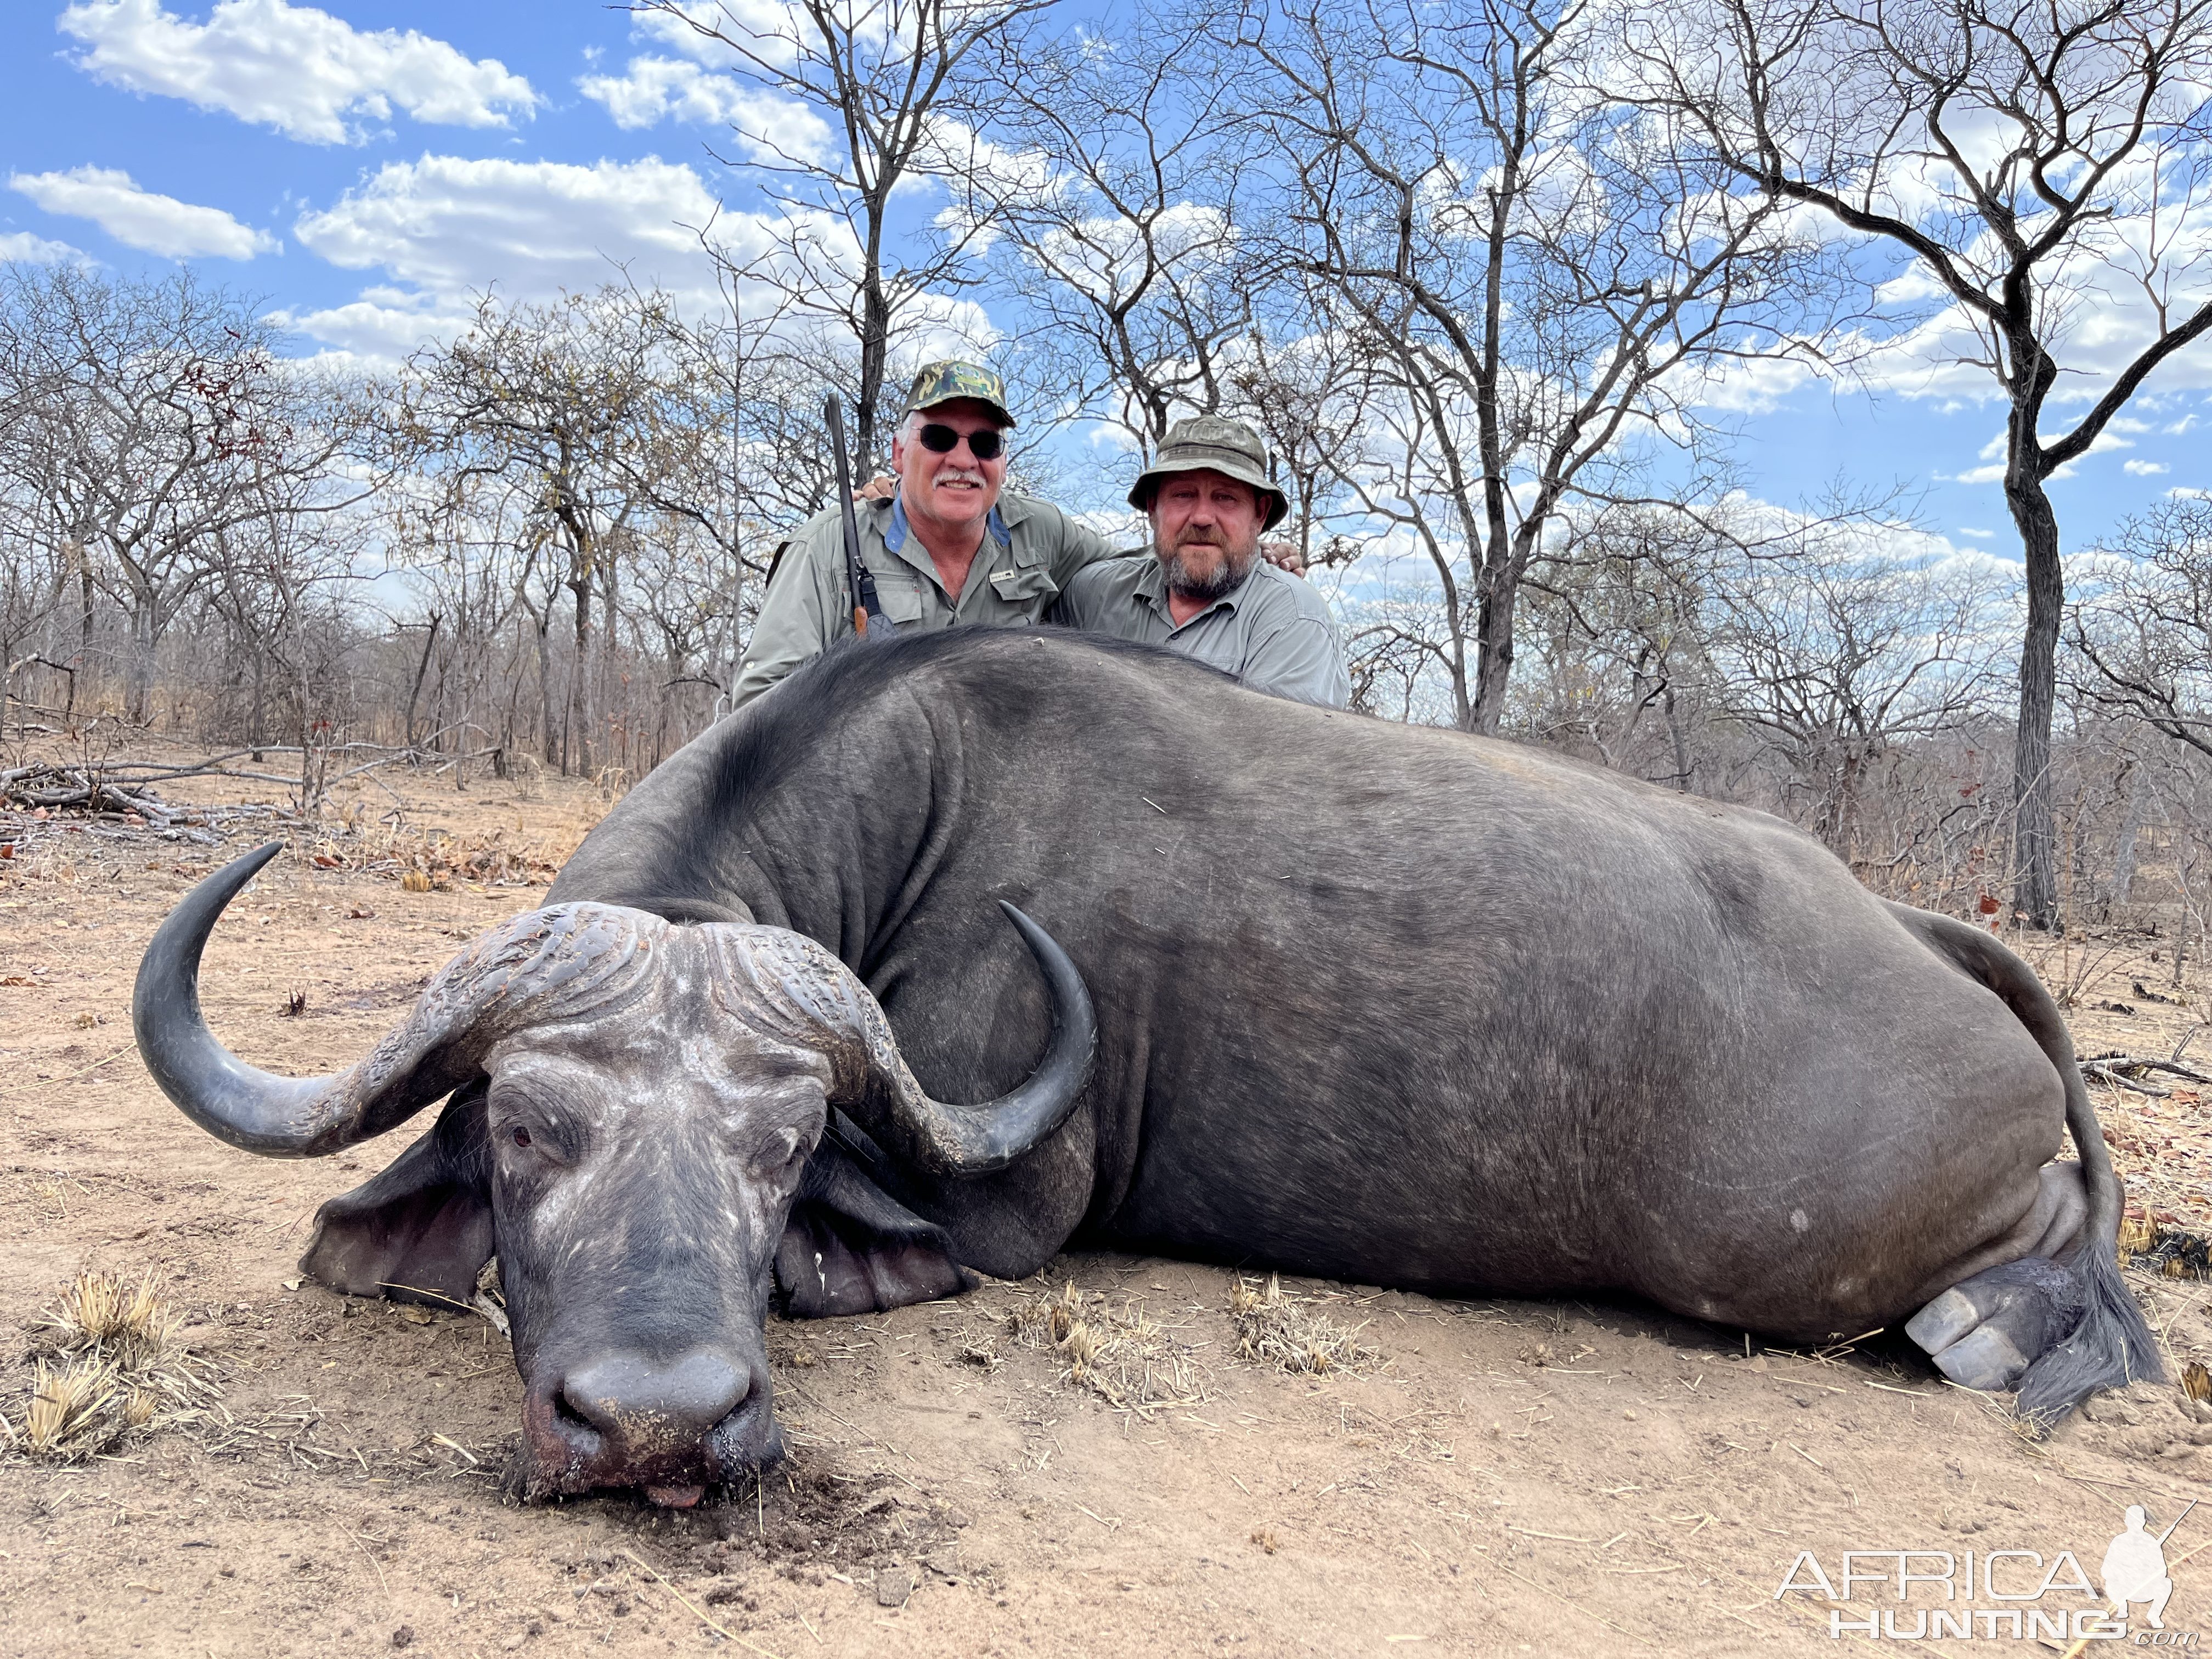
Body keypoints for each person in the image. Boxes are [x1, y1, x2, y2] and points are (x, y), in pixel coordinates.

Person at [730, 360, 1128, 709]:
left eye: (986, 444)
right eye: (939, 438)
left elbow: (1140, 583)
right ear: (899, 453)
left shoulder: (1043, 532)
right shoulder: (825, 546)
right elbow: (762, 702)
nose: (962, 460)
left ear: (1003, 461)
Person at [1051, 415, 1351, 708]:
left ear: (1260, 514)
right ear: (1154, 508)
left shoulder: (1294, 620)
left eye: (1226, 498)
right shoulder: (1092, 596)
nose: (1203, 518)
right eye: (1183, 494)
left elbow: (1275, 756)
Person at [2102, 1505, 2175, 1629]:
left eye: (2137, 1521)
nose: (2135, 1524)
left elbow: (2162, 1571)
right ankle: (2122, 1607)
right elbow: (2105, 1570)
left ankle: (2154, 1615)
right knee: (2110, 1583)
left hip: (2143, 1590)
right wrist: (2123, 1572)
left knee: (2166, 1584)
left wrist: (2146, 1570)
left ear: (2143, 1522)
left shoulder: (2151, 1542)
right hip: (2122, 1589)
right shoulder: (2118, 1541)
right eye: (2131, 1521)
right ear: (2126, 1522)